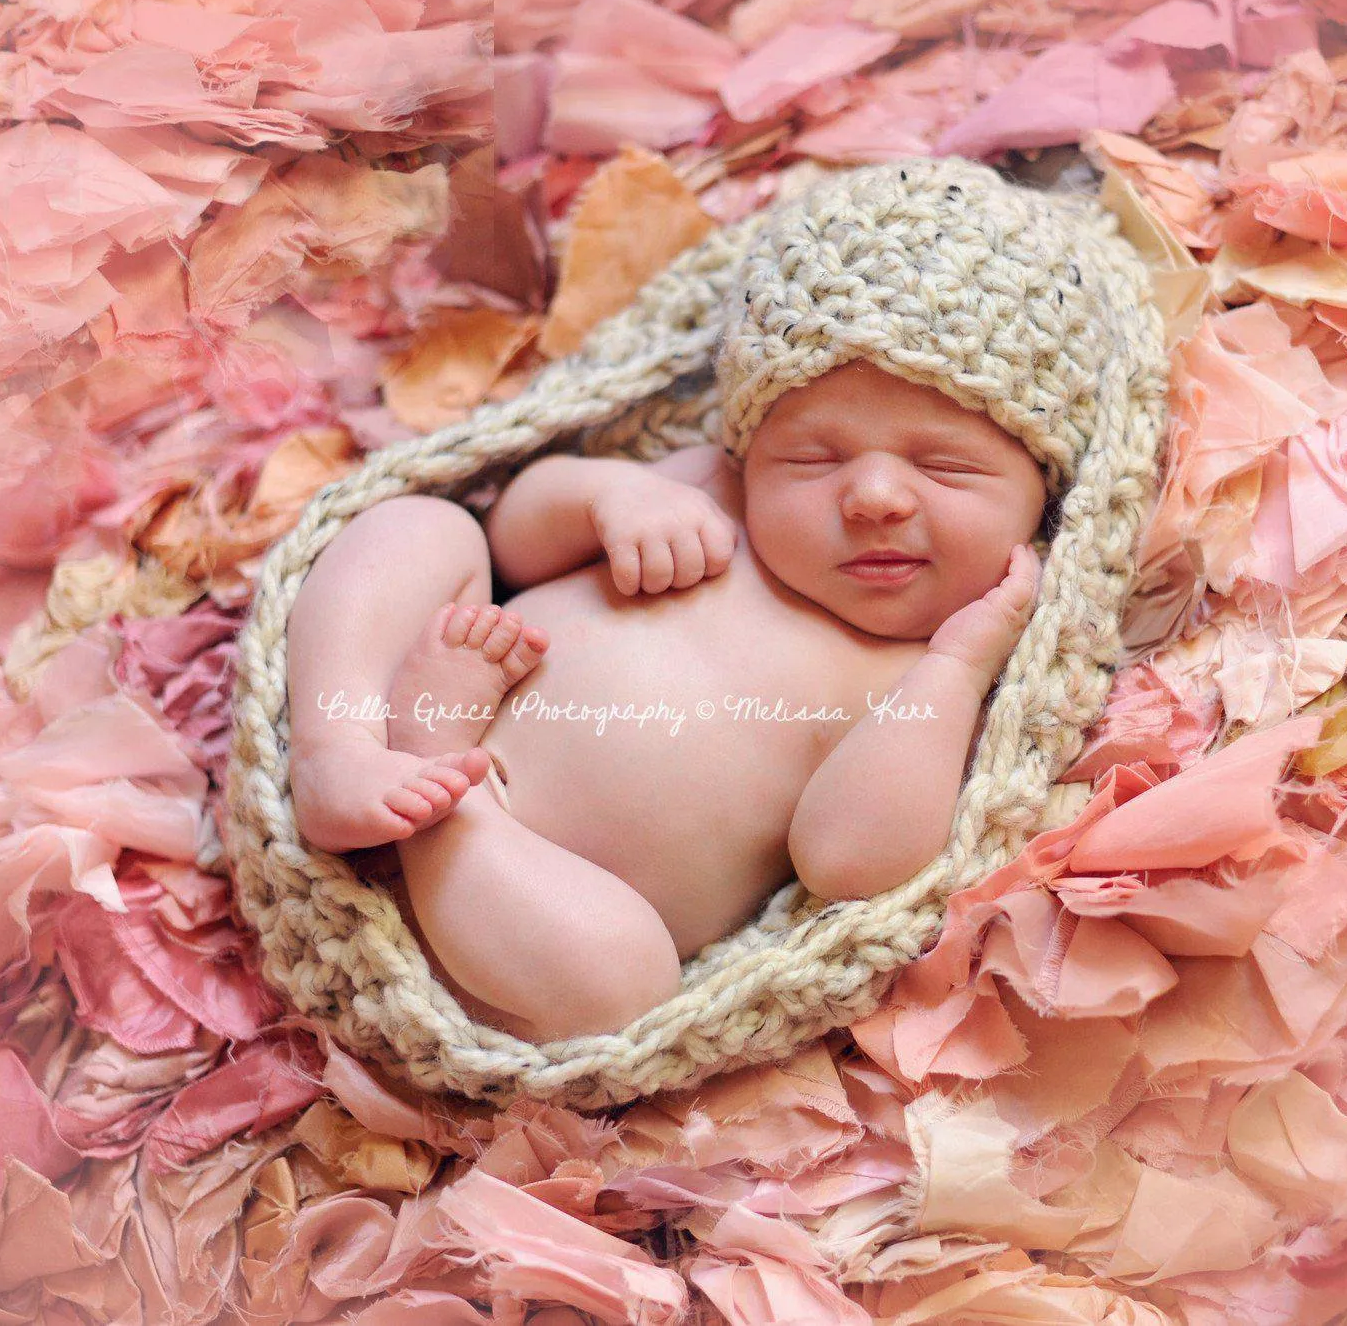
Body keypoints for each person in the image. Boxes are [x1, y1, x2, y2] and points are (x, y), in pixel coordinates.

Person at [280, 158, 1149, 1042]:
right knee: (424, 530)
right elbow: (513, 538)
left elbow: (849, 862)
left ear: (1041, 495)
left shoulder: (923, 683)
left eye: (945, 465)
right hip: (394, 710)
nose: (875, 496)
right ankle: (337, 746)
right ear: (748, 450)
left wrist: (958, 667)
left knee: (628, 986)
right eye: (812, 457)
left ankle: (439, 785)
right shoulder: (708, 494)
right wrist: (606, 498)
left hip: (512, 915)